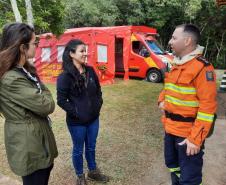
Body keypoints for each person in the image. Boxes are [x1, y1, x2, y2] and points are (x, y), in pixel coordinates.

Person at [158, 24, 217, 185]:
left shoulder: (203, 68)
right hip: (170, 129)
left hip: (188, 135)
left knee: (189, 179)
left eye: (174, 38)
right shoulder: (177, 63)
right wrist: (161, 100)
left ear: (187, 41)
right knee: (173, 167)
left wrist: (195, 139)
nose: (170, 41)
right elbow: (168, 87)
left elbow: (207, 108)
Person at [0, 23, 58, 185]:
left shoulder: (22, 71)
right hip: (29, 146)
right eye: (35, 43)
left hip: (35, 139)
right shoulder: (12, 78)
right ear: (22, 47)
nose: (37, 47)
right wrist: (43, 89)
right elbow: (47, 105)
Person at [57, 39, 109, 185]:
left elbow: (98, 91)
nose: (85, 54)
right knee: (78, 150)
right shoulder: (65, 77)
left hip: (93, 119)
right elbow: (61, 100)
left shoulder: (90, 71)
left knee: (91, 146)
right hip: (77, 123)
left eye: (85, 51)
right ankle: (80, 177)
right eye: (82, 51)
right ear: (72, 54)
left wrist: (98, 105)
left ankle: (93, 172)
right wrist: (76, 112)